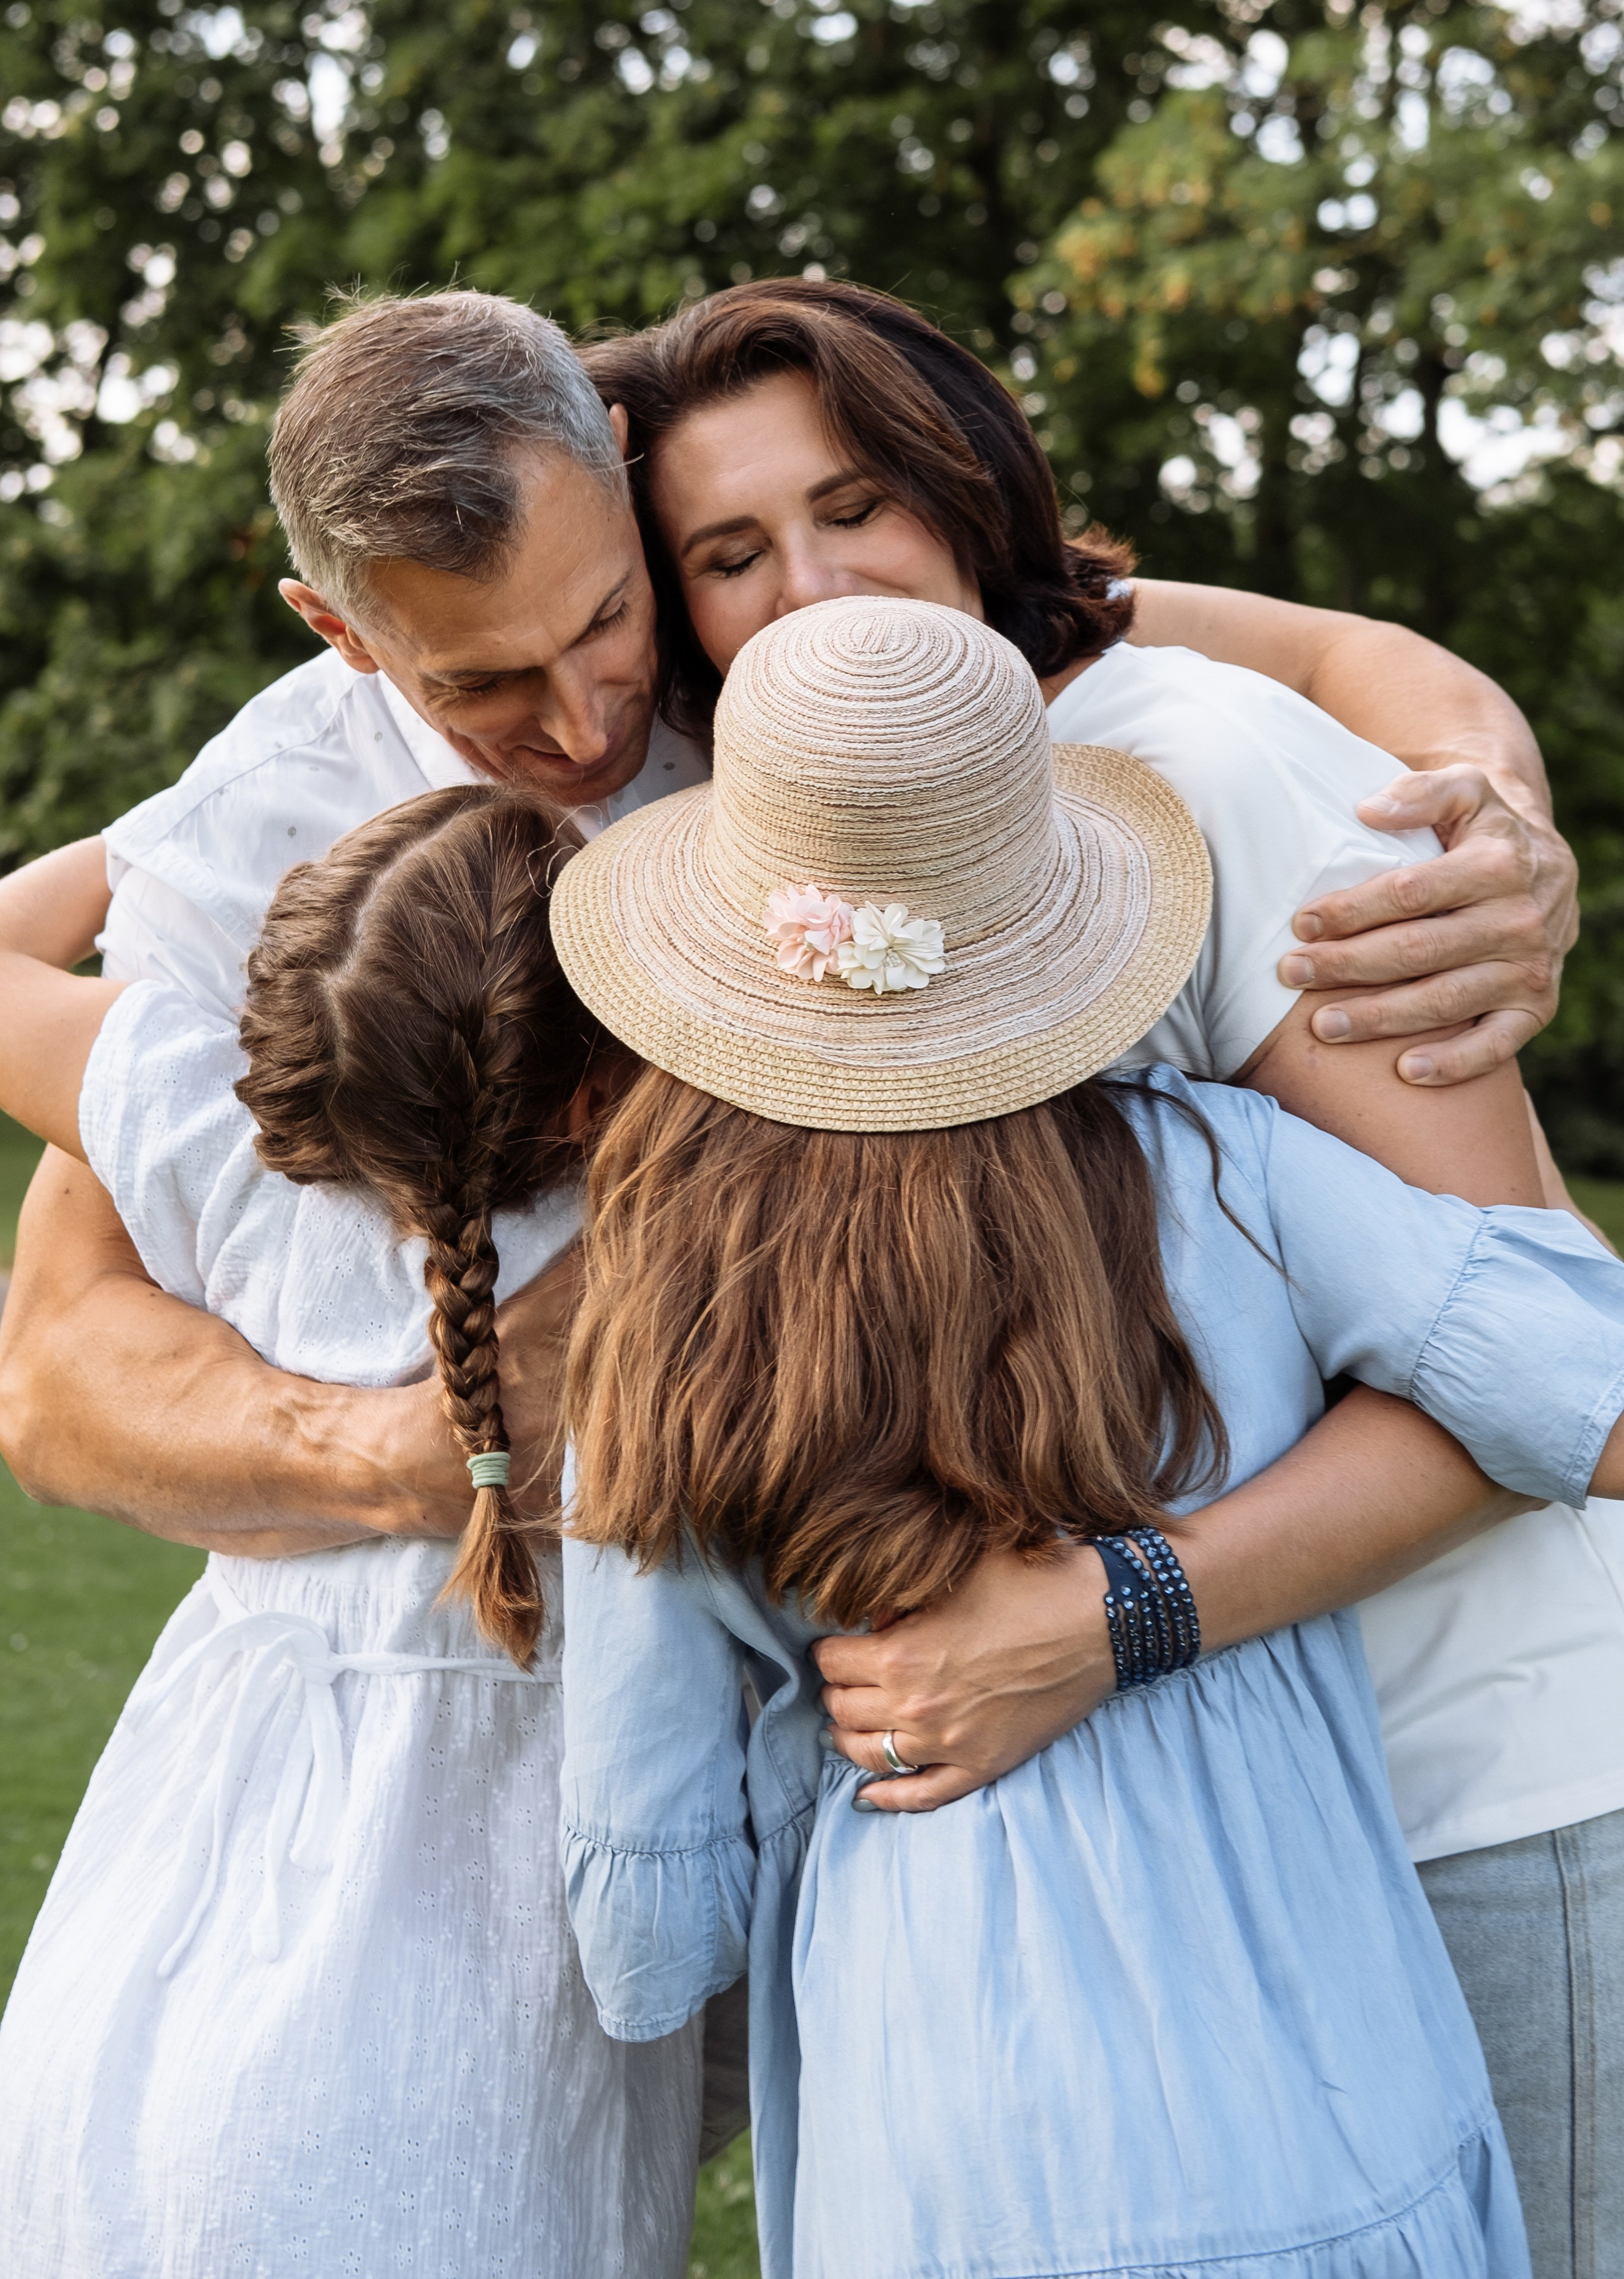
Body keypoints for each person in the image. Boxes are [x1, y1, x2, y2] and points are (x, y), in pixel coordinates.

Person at [0, 282, 1599, 2228]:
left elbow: (1544, 1348)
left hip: (1401, 1781)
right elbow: (55, 1370)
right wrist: (440, 1447)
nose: (584, 721)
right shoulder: (305, 833)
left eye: (614, 619)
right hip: (969, 1879)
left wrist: (1494, 796)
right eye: (731, 554)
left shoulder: (1064, 740)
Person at [583, 275, 1624, 2272]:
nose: (815, 586)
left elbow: (1540, 1355)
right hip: (1188, 1875)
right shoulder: (802, 859)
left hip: (1466, 1784)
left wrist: (1108, 1619)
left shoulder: (1192, 772)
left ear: (967, 489)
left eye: (859, 504)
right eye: (731, 552)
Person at [0, 788, 702, 2278]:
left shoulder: (212, 1143)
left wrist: (173, 834)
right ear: (590, 1087)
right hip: (492, 1992)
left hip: (157, 1933)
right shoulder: (671, 1213)